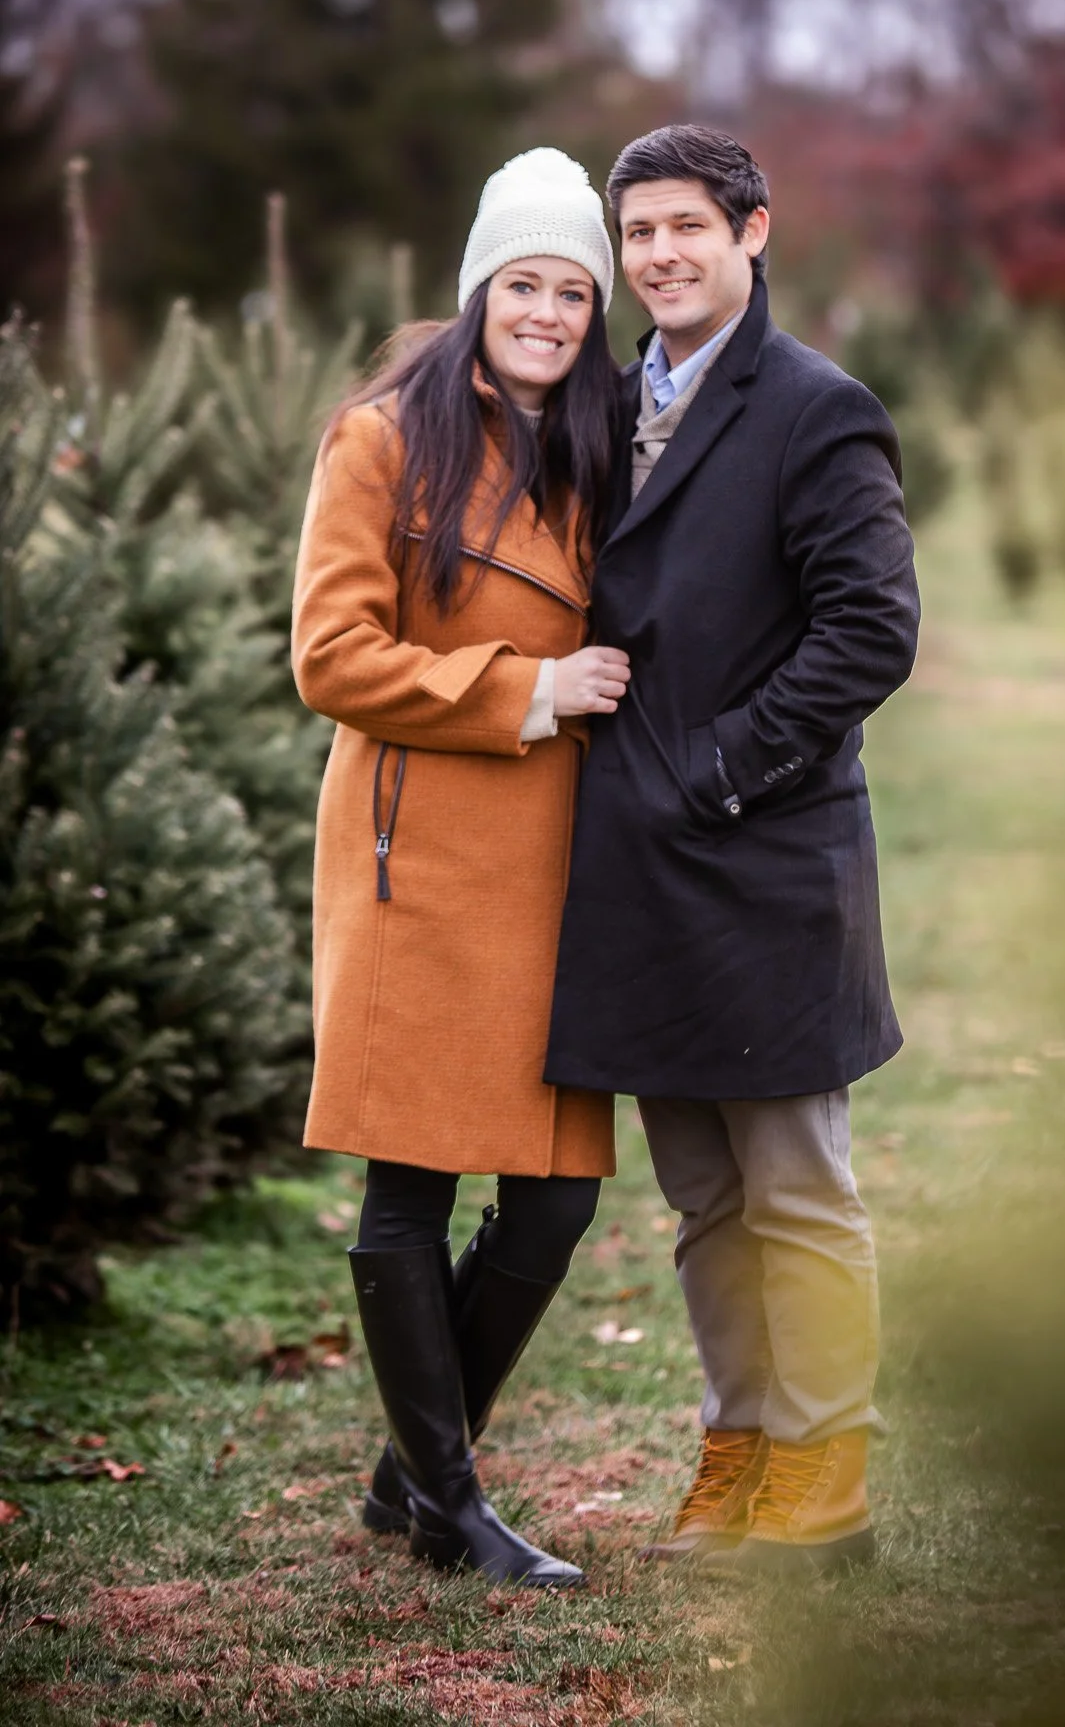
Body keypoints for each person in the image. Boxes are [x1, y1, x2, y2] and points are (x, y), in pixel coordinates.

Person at [543, 124, 920, 1576]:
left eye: (688, 226)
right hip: (638, 867)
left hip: (764, 857)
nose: (661, 256)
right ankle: (739, 1444)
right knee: (703, 1194)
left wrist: (720, 766)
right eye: (638, 233)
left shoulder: (817, 409)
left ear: (752, 232)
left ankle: (825, 1476)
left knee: (796, 1188)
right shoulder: (598, 405)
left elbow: (870, 630)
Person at [291, 148, 632, 1589]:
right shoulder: (383, 440)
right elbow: (331, 657)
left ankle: (411, 1472)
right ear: (481, 287)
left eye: (574, 292)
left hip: (557, 860)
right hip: (416, 850)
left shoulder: (606, 445)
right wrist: (529, 691)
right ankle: (450, 1506)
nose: (547, 313)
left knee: (555, 1195)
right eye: (524, 283)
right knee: (412, 1182)